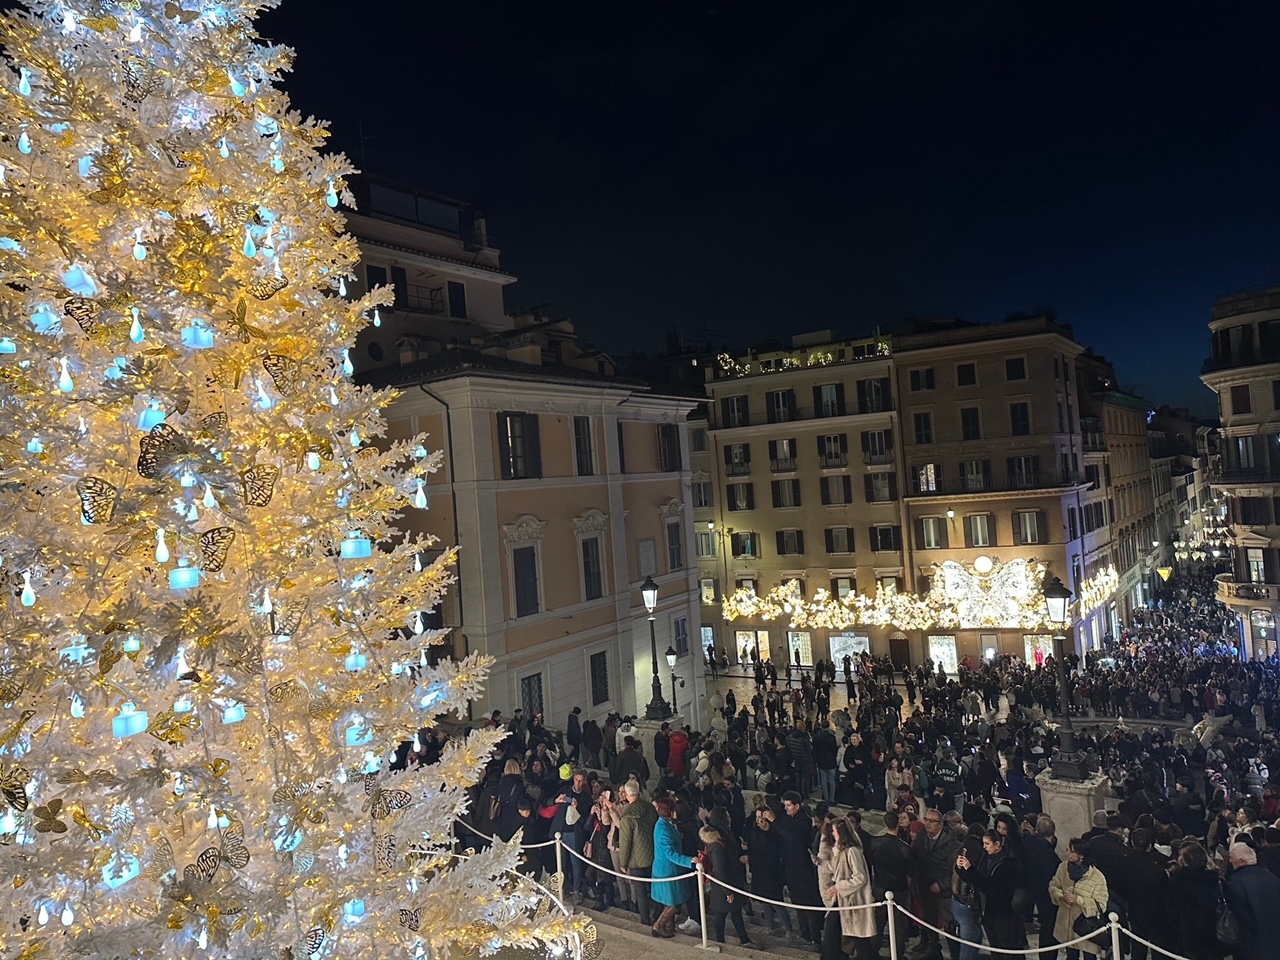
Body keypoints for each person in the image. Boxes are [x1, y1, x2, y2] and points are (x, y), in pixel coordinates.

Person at [956, 829, 1026, 955]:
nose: (984, 847)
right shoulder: (986, 859)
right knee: (995, 948)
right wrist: (961, 868)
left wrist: (970, 870)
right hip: (988, 912)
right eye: (984, 843)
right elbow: (975, 880)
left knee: (1008, 949)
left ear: (997, 844)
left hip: (1003, 913)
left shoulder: (1008, 864)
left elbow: (990, 888)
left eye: (987, 844)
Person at [821, 818, 878, 960]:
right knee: (833, 933)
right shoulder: (840, 851)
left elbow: (860, 877)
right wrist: (822, 863)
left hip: (852, 901)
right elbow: (837, 869)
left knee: (859, 939)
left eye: (834, 831)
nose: (832, 834)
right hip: (842, 901)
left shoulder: (853, 851)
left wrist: (838, 886)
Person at [908, 806, 960, 960]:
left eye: (932, 821)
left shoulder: (951, 843)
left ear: (940, 824)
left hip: (943, 891)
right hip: (925, 887)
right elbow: (916, 859)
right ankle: (933, 951)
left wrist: (941, 884)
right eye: (926, 820)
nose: (928, 823)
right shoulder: (922, 837)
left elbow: (954, 870)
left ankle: (955, 955)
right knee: (929, 922)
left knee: (949, 924)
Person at [1048, 838, 1109, 960]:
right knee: (1071, 955)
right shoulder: (1063, 868)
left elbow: (1101, 904)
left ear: (1081, 856)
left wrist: (1079, 900)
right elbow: (1054, 885)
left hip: (1086, 927)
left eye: (1072, 851)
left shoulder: (1096, 877)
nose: (1068, 854)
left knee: (1089, 956)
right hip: (1067, 924)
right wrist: (1060, 896)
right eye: (1068, 850)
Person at [775, 791, 824, 944]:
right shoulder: (786, 817)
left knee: (808, 906)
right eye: (785, 805)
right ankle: (805, 935)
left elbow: (793, 838)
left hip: (802, 869)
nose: (786, 808)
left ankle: (816, 938)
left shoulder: (804, 820)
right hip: (789, 868)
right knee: (797, 904)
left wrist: (774, 821)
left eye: (789, 805)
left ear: (797, 806)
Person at [1167, 841, 1227, 960]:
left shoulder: (1178, 883)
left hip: (1190, 936)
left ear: (1184, 861)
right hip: (1215, 934)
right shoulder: (1216, 880)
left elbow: (1172, 911)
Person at [1225, 841, 1280, 960]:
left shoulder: (1234, 884)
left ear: (1241, 861)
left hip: (1252, 947)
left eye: (1231, 858)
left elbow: (1240, 920)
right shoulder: (1272, 878)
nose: (1229, 861)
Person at [699, 825, 753, 947]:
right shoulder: (717, 848)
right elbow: (720, 871)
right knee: (721, 915)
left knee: (734, 913)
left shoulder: (713, 846)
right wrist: (728, 892)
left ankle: (743, 940)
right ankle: (722, 941)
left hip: (724, 886)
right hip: (724, 887)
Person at [650, 796, 694, 938]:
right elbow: (670, 853)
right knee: (674, 903)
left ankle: (669, 926)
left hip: (672, 870)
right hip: (667, 871)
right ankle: (658, 925)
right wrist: (689, 861)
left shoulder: (666, 824)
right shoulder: (663, 829)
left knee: (670, 902)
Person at [748, 805, 794, 939]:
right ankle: (769, 926)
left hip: (772, 873)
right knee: (764, 901)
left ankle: (789, 930)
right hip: (759, 872)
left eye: (760, 817)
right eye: (756, 817)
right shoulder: (755, 831)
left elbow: (775, 852)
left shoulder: (775, 834)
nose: (758, 820)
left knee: (776, 902)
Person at [617, 780, 657, 925]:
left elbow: (625, 842)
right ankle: (658, 916)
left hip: (636, 859)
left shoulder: (627, 816)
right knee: (655, 889)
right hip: (653, 855)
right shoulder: (650, 808)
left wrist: (623, 863)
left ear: (627, 795)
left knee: (640, 892)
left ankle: (645, 919)